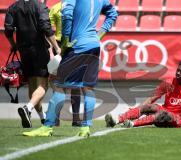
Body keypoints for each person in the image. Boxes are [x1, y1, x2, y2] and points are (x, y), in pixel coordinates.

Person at [22, 0, 118, 137]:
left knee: (60, 86)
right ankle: (85, 128)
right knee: (87, 88)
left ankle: (47, 127)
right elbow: (113, 13)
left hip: (77, 45)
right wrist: (100, 34)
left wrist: (66, 40)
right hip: (94, 45)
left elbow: (67, 14)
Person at [105, 61, 181, 129]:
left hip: (178, 120)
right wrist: (138, 110)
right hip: (163, 113)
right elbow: (151, 98)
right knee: (150, 106)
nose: (178, 73)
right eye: (178, 70)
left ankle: (132, 124)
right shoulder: (168, 82)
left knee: (162, 113)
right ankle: (117, 120)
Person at [4, 0, 61, 128]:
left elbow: (8, 30)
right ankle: (28, 108)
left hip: (24, 51)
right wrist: (56, 47)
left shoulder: (13, 7)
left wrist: (14, 45)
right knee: (43, 86)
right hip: (39, 51)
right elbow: (46, 27)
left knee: (32, 87)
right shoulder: (40, 6)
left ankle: (42, 118)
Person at [49, 2, 81, 127]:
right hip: (66, 46)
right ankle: (72, 118)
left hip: (68, 46)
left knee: (65, 83)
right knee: (69, 83)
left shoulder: (56, 8)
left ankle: (61, 118)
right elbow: (47, 29)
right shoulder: (78, 7)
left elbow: (47, 30)